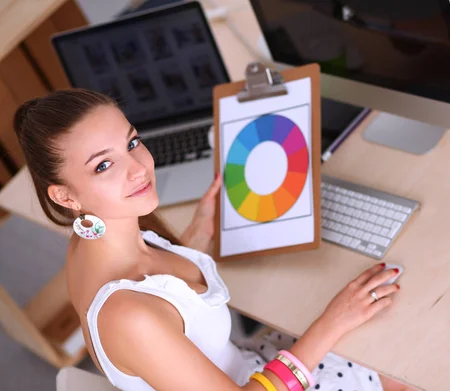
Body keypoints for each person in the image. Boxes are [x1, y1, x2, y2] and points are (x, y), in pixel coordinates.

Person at [13, 89, 407, 391]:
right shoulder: (127, 316)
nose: (138, 168)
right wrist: (331, 323)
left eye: (131, 143)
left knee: (385, 336)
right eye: (103, 165)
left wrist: (196, 234)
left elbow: (164, 301)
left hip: (249, 366)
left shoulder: (91, 240)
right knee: (403, 366)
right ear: (65, 196)